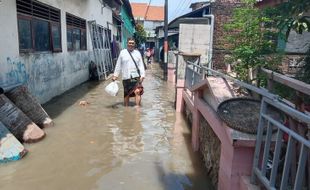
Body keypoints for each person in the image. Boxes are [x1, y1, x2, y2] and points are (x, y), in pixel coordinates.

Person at [112, 38, 145, 107]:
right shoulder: (122, 53)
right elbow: (118, 65)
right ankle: (126, 108)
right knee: (126, 94)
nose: (131, 44)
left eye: (132, 43)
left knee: (137, 91)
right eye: (130, 43)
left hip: (135, 76)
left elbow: (141, 65)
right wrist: (115, 75)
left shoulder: (137, 53)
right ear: (127, 44)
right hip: (126, 76)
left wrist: (142, 75)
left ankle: (137, 108)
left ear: (134, 44)